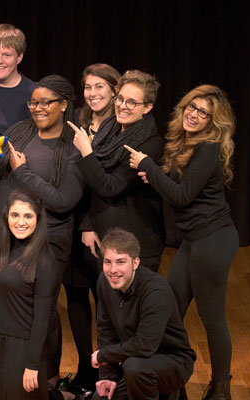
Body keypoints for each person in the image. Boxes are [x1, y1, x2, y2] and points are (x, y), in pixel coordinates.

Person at [126, 84, 238, 400]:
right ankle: (174, 381)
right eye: (192, 107)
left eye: (203, 113)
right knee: (169, 307)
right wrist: (157, 177)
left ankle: (221, 389)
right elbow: (181, 190)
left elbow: (182, 195)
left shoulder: (208, 148)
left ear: (212, 122)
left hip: (212, 240)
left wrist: (147, 165)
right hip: (194, 240)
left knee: (211, 317)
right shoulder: (188, 141)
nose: (194, 114)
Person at [0, 74, 84, 387]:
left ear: (64, 105)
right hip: (5, 234)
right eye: (33, 102)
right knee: (3, 303)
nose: (37, 108)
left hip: (47, 241)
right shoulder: (21, 131)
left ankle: (46, 379)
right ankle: (2, 372)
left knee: (42, 313)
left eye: (46, 102)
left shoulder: (72, 146)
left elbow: (64, 200)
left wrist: (22, 171)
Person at [61, 63, 121, 394]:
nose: (93, 93)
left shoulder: (121, 125)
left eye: (100, 87)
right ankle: (85, 368)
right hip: (68, 220)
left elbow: (102, 183)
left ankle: (106, 371)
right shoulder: (77, 118)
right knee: (75, 294)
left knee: (105, 299)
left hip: (98, 224)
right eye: (88, 87)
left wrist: (86, 223)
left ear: (114, 90)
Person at [68, 69, 165, 272]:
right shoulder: (110, 128)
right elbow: (93, 186)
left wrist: (87, 152)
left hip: (137, 243)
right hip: (108, 236)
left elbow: (109, 186)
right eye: (120, 98)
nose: (122, 106)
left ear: (147, 107)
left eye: (132, 102)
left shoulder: (149, 144)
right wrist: (89, 223)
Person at [92, 228, 195, 400]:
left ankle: (170, 391)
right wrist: (107, 376)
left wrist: (104, 354)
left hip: (173, 361)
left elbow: (145, 344)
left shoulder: (156, 291)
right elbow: (106, 329)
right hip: (137, 363)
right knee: (100, 398)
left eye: (120, 262)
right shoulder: (104, 281)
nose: (113, 270)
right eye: (108, 262)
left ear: (135, 262)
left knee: (134, 367)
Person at [0, 189, 59, 400]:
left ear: (38, 220)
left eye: (28, 216)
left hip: (20, 349)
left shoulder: (44, 261)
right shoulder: (4, 249)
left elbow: (43, 317)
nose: (20, 222)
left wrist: (32, 365)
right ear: (6, 217)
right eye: (15, 215)